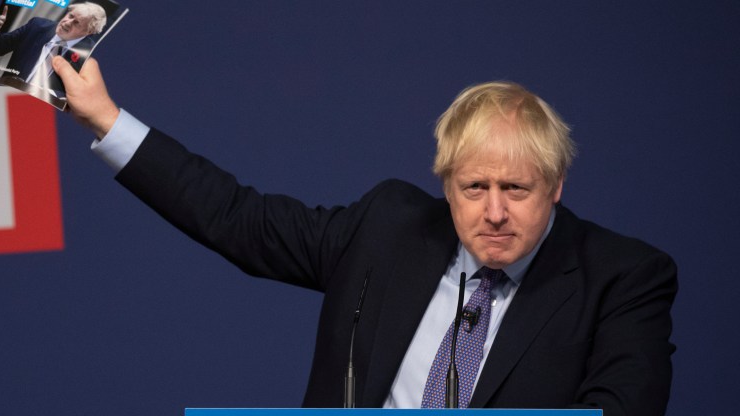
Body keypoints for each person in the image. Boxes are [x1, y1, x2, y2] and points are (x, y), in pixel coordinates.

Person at [52, 57, 678, 416]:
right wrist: (107, 119)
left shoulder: (622, 279)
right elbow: (237, 218)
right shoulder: (389, 229)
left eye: (515, 191)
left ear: (556, 185)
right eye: (472, 188)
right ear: (444, 182)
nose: (492, 213)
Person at [0, 2, 107, 101]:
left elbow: (77, 93)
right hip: (9, 96)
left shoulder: (89, 53)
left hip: (46, 111)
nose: (67, 23)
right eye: (70, 16)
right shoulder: (37, 26)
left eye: (77, 23)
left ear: (88, 32)